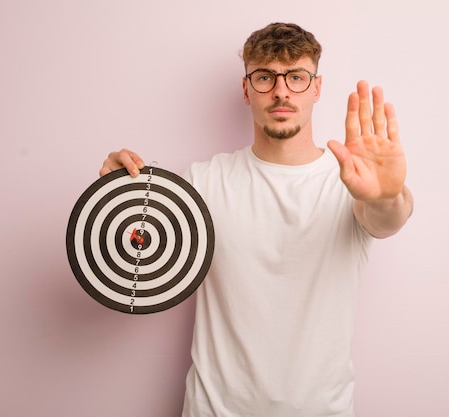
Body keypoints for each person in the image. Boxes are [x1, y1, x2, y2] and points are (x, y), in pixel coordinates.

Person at [100, 22, 413, 417]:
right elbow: (135, 254)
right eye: (265, 76)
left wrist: (386, 195)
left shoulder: (350, 183)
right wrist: (116, 197)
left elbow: (388, 219)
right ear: (247, 89)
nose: (281, 91)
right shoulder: (202, 183)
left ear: (317, 88)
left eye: (296, 77)